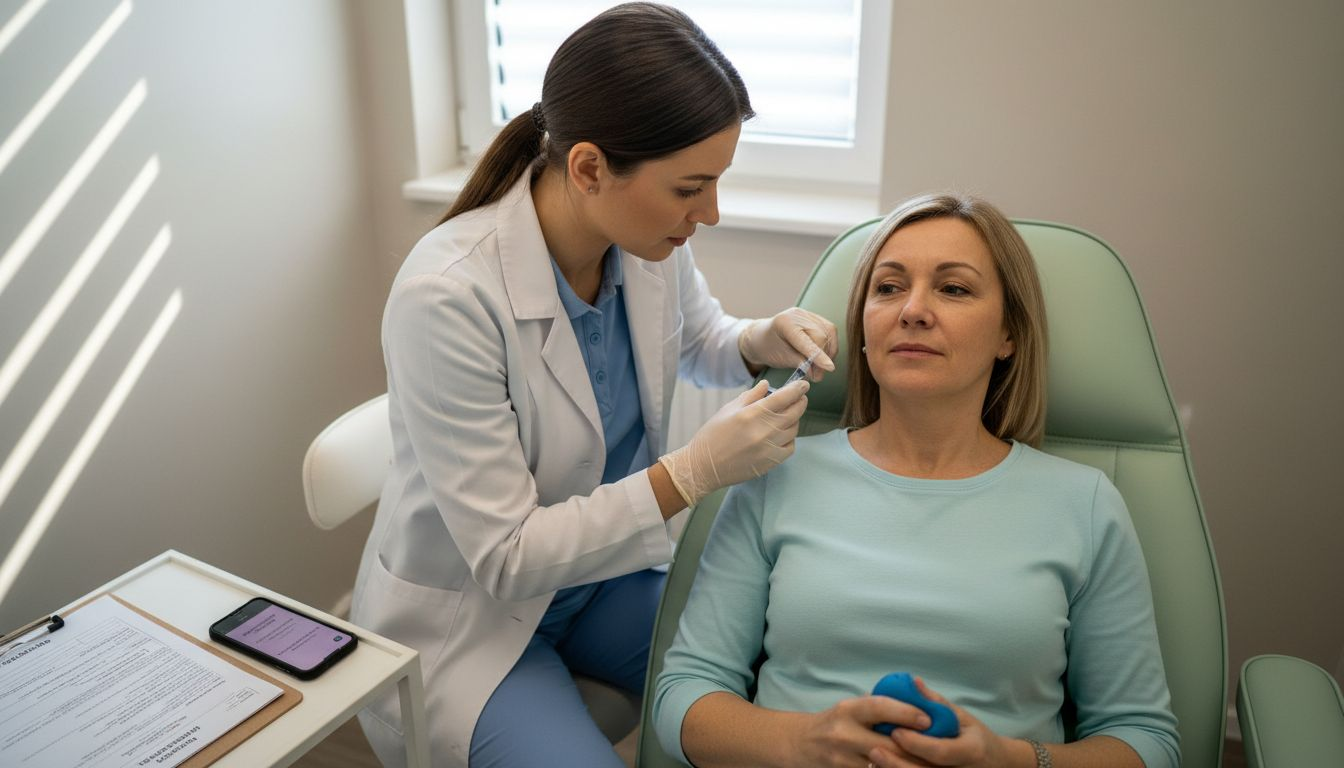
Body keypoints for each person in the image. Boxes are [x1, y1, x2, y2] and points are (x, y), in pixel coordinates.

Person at [350, 4, 837, 767]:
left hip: (600, 582)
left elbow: (699, 339)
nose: (708, 213)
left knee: (783, 671)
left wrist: (757, 339)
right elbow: (508, 558)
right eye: (691, 187)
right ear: (589, 168)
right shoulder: (446, 297)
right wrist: (692, 473)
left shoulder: (644, 239)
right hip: (479, 621)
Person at [652, 194, 1180, 768]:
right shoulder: (775, 476)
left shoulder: (1084, 504)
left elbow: (1144, 741)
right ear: (862, 327)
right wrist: (802, 743)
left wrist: (1008, 760)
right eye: (888, 287)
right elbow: (684, 695)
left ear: (1009, 334)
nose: (913, 310)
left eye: (954, 288)